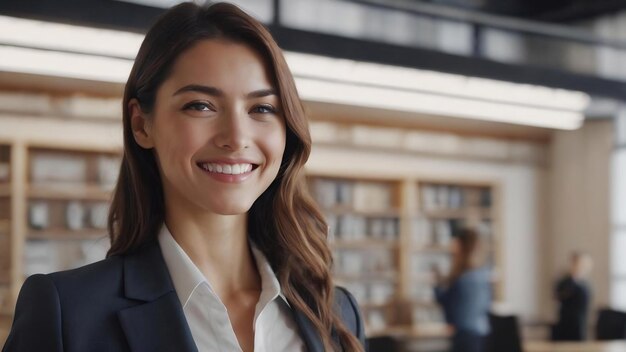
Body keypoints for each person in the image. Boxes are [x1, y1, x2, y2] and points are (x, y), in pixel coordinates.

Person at [2, 3, 366, 352]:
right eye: (201, 105)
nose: (236, 137)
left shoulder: (334, 311)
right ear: (142, 124)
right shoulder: (69, 315)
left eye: (262, 108)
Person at [433, 228, 491, 352]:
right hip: (479, 331)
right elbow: (486, 304)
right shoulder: (481, 274)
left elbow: (448, 304)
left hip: (464, 333)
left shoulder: (462, 277)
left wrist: (437, 285)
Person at [551, 251, 593, 341]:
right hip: (566, 322)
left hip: (581, 322)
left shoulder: (585, 283)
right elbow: (558, 296)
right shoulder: (565, 281)